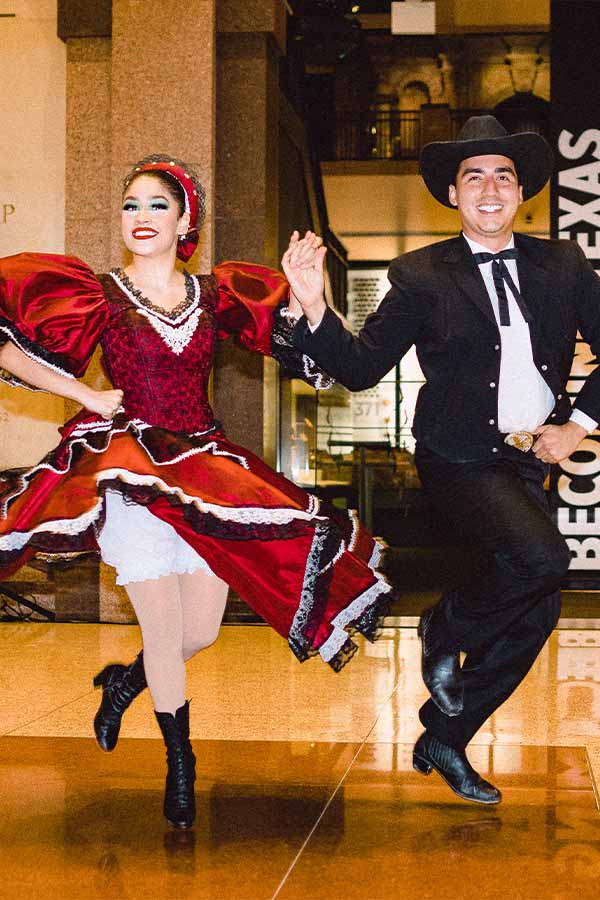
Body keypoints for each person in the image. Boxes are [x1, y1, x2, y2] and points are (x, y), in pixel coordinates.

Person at [0, 154, 392, 829]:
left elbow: (309, 355)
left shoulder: (218, 296)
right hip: (127, 466)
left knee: (200, 630)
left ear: (186, 222)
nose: (141, 217)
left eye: (157, 205)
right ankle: (180, 764)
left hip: (206, 471)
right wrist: (85, 392)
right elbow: (9, 349)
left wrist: (307, 296)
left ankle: (127, 681)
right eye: (131, 205)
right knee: (161, 624)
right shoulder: (97, 294)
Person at [284, 115, 600, 805]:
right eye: (474, 177)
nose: (490, 189)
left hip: (526, 458)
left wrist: (575, 427)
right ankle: (442, 626)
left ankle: (444, 737)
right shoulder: (423, 273)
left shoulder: (564, 266)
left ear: (523, 193)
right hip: (455, 454)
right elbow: (363, 368)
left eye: (503, 176)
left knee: (537, 612)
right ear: (454, 194)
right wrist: (315, 307)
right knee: (547, 561)